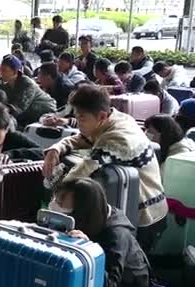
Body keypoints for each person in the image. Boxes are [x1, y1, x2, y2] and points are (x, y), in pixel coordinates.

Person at [42, 85, 168, 254]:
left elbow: (82, 170)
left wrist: (55, 199)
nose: (78, 124)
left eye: (82, 119)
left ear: (101, 116)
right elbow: (80, 139)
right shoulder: (113, 119)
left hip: (146, 215)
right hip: (132, 206)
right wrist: (55, 149)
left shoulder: (117, 137)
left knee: (130, 265)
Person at [50, 177, 149, 287]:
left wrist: (89, 250)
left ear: (81, 214)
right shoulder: (96, 215)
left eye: (64, 207)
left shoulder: (117, 236)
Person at [0, 55, 56, 127]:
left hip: (45, 111)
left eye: (5, 70)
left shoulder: (27, 84)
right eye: (1, 70)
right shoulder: (6, 85)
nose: (1, 73)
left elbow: (18, 108)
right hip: (28, 114)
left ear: (15, 72)